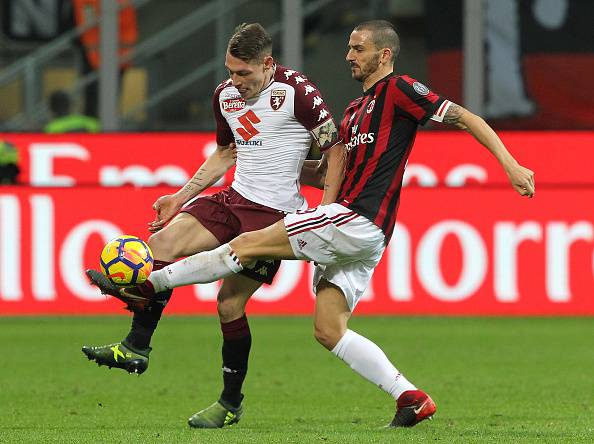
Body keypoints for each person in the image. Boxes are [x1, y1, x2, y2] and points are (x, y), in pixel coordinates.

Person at [88, 20, 535, 428]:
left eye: (358, 48)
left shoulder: (398, 89)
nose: (348, 55)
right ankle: (411, 398)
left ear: (384, 55)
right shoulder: (355, 110)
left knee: (243, 248)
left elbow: (464, 117)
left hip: (354, 220)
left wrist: (511, 164)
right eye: (349, 47)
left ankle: (148, 283)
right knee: (328, 330)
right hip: (361, 232)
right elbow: (324, 169)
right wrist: (276, 163)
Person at [83, 22, 343, 428]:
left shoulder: (297, 92)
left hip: (273, 217)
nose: (235, 81)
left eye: (244, 73)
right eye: (230, 71)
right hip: (233, 199)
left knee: (228, 305)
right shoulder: (225, 95)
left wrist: (324, 212)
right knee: (159, 247)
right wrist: (179, 197)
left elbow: (336, 150)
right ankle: (136, 346)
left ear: (268, 64)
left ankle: (230, 402)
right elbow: (225, 153)